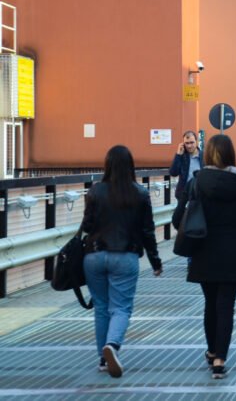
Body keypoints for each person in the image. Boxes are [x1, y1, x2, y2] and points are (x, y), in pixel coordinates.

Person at [172, 134, 236, 380]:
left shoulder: (197, 182)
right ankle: (220, 359)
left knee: (210, 303)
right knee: (226, 305)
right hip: (234, 251)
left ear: (209, 154)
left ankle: (212, 350)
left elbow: (176, 219)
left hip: (204, 251)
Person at [82, 145, 163, 378]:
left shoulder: (95, 191)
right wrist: (155, 262)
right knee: (121, 308)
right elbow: (148, 231)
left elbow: (87, 226)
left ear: (107, 165)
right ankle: (113, 346)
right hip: (125, 257)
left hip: (94, 256)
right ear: (131, 166)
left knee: (101, 307)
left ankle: (102, 359)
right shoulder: (139, 193)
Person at [169, 130, 203, 200]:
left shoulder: (204, 156)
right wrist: (178, 155)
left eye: (192, 142)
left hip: (200, 195)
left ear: (196, 142)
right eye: (186, 143)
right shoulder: (182, 156)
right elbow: (173, 173)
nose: (189, 146)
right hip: (183, 195)